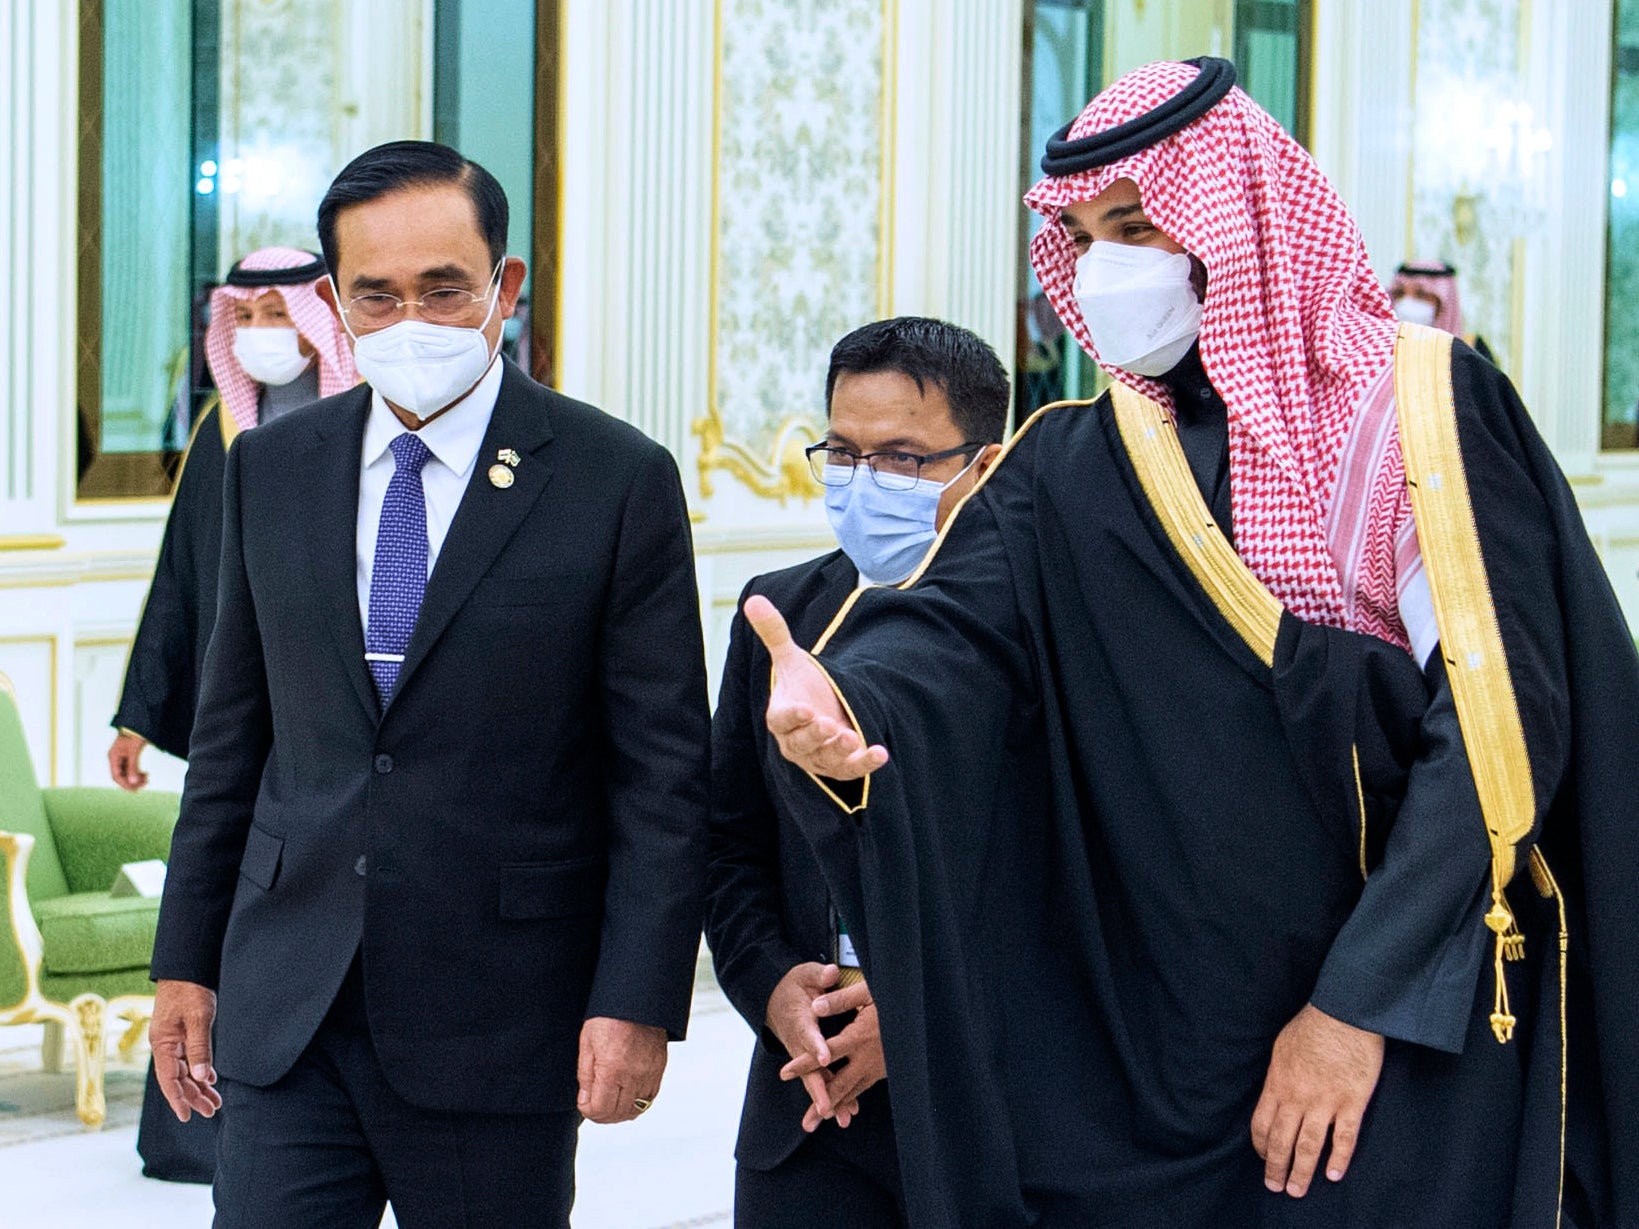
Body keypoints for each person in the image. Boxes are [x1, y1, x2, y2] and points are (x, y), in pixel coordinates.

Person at [746, 59, 1639, 1228]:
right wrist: (857, 706)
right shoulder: (1077, 456)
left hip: (1387, 1012)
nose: (1105, 263)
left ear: (1243, 213)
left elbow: (1491, 734)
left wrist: (1351, 1008)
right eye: (1079, 233)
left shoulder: (1409, 411)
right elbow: (956, 629)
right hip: (1147, 1030)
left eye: (1133, 223)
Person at [146, 141, 710, 1228]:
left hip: (498, 1013)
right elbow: (232, 740)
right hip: (289, 999)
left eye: (444, 288)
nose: (412, 318)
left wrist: (637, 997)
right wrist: (184, 963)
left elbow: (661, 774)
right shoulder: (273, 467)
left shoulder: (613, 479)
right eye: (378, 293)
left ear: (504, 286)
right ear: (334, 301)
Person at [707, 317, 1008, 1229]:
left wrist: (917, 1008)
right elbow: (727, 844)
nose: (862, 481)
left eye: (903, 458)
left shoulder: (1038, 626)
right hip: (807, 1114)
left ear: (982, 465)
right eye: (842, 450)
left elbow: (1065, 878)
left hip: (985, 1111)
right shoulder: (783, 612)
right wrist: (772, 987)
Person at [109, 248, 357, 792]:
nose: (257, 331)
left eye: (276, 313)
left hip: (342, 688)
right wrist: (137, 719)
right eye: (243, 318)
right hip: (240, 683)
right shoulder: (218, 430)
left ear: (319, 317)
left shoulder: (369, 423)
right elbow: (179, 574)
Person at [1389, 260, 1497, 365]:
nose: (1405, 302)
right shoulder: (1384, 350)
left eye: (1421, 295)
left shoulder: (1471, 349)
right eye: (1399, 294)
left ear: (1445, 302)